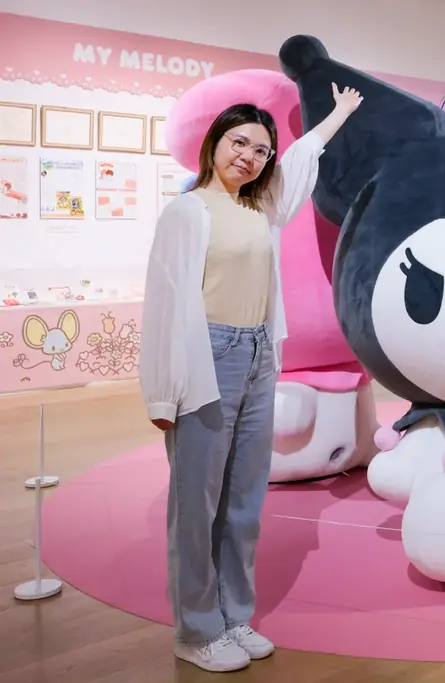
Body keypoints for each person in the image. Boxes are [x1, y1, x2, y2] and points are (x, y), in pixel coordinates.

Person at [139, 84, 363, 673]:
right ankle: (196, 629)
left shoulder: (260, 208)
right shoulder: (187, 211)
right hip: (207, 355)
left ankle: (233, 615)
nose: (249, 156)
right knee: (197, 502)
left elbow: (301, 161)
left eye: (261, 150)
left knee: (243, 499)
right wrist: (161, 393)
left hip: (261, 352)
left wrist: (336, 115)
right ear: (215, 142)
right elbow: (164, 300)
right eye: (239, 142)